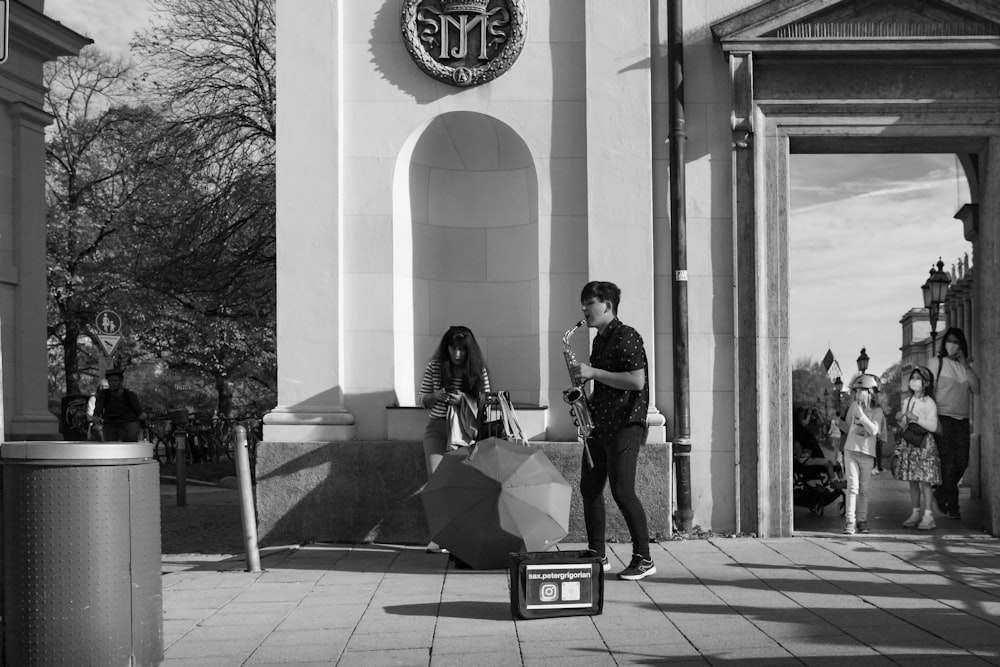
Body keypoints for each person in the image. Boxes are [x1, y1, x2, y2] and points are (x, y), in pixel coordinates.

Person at [571, 281, 655, 581]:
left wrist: (593, 373)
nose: (584, 309)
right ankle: (597, 554)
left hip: (625, 424)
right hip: (600, 424)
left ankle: (644, 558)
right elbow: (608, 382)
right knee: (589, 488)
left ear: (607, 305)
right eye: (583, 303)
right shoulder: (600, 341)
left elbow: (636, 381)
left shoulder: (627, 335)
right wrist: (585, 402)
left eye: (589, 303)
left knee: (622, 491)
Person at [418, 325, 491, 553]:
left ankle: (458, 535)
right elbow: (422, 399)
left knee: (459, 484)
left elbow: (486, 403)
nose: (457, 354)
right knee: (436, 482)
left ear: (469, 350)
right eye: (453, 348)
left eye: (461, 350)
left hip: (464, 431)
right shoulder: (435, 368)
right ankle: (439, 535)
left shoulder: (478, 370)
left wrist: (463, 399)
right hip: (438, 428)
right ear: (446, 348)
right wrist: (437, 395)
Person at [931, 327, 980, 520]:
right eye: (949, 341)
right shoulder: (937, 362)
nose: (952, 344)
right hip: (943, 417)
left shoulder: (964, 367)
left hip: (962, 420)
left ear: (962, 345)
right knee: (949, 464)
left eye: (956, 341)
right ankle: (953, 506)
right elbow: (929, 389)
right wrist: (933, 420)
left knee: (962, 462)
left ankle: (940, 493)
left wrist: (966, 366)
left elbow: (977, 389)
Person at [894, 366, 941, 530]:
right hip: (910, 443)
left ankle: (928, 515)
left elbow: (933, 426)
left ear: (926, 382)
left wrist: (916, 418)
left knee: (925, 481)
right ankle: (915, 513)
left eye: (918, 378)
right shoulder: (907, 401)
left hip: (924, 443)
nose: (914, 381)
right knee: (913, 481)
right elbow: (906, 425)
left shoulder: (929, 402)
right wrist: (901, 419)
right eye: (912, 378)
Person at [840, 374, 884, 535]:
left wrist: (862, 415)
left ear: (870, 392)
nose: (857, 394)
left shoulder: (877, 411)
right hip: (850, 451)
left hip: (867, 454)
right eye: (856, 391)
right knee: (852, 487)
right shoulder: (853, 406)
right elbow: (846, 428)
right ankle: (850, 521)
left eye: (860, 391)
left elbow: (874, 430)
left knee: (864, 489)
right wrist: (835, 421)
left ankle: (862, 521)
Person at [91, 369, 146, 442]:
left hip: (128, 421)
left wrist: (143, 416)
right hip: (110, 422)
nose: (112, 383)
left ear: (121, 382)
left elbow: (139, 412)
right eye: (110, 381)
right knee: (108, 443)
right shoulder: (104, 394)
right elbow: (98, 408)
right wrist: (95, 416)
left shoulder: (129, 395)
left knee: (130, 438)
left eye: (115, 381)